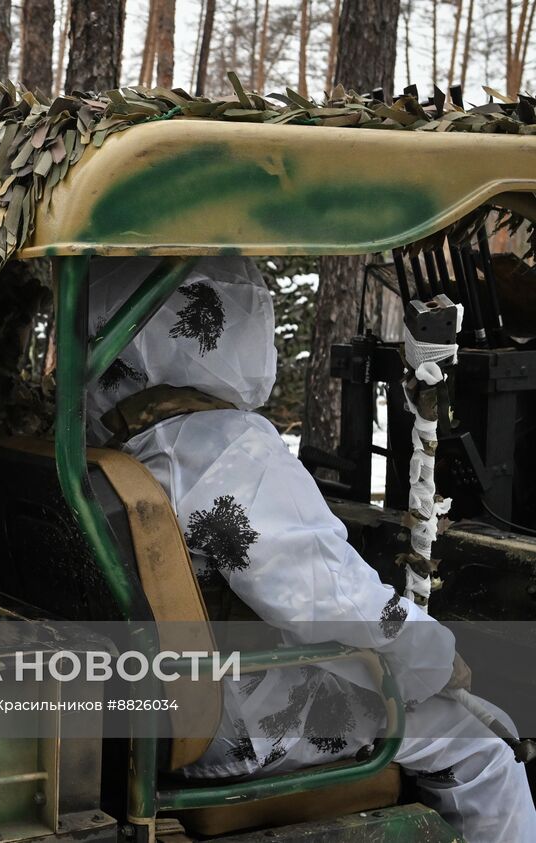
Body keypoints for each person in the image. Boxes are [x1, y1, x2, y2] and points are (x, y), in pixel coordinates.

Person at [86, 256, 536, 842]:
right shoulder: (222, 449)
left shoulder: (117, 438)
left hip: (155, 709)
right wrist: (432, 657)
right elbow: (323, 595)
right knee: (487, 752)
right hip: (245, 720)